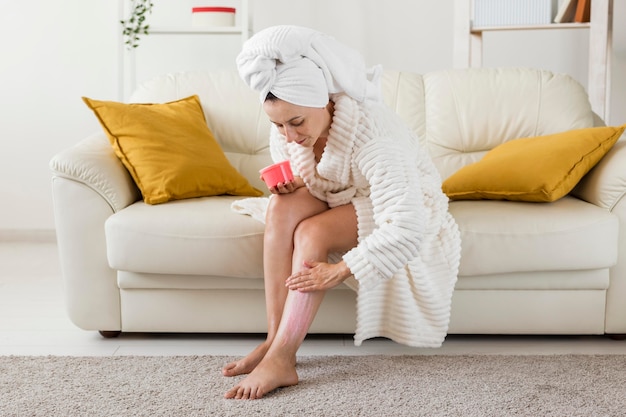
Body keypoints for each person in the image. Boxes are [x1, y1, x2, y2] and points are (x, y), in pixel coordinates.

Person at [223, 25, 461, 400]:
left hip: (397, 203)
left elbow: (407, 222)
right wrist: (296, 186)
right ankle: (273, 340)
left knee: (312, 234)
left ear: (324, 100)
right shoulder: (288, 128)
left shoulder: (373, 135)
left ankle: (284, 358)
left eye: (297, 122)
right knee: (280, 206)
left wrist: (342, 268)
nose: (288, 136)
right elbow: (312, 175)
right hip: (338, 194)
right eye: (277, 125)